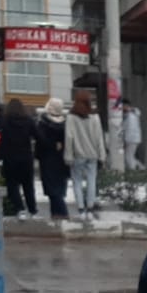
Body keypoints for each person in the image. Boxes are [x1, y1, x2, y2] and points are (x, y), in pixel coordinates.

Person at [66, 92, 105, 225]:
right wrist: (102, 155)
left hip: (78, 155)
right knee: (91, 181)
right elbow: (99, 137)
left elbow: (69, 137)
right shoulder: (95, 116)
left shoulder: (71, 117)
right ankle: (90, 209)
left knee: (77, 182)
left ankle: (81, 210)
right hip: (92, 154)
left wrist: (68, 155)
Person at [0, 98, 39, 218]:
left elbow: (3, 142)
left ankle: (20, 209)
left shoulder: (5, 122)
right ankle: (33, 210)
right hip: (26, 158)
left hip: (10, 159)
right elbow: (38, 136)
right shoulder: (29, 121)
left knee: (12, 186)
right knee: (28, 186)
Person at [36, 97, 71, 220]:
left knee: (52, 189)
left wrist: (39, 154)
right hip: (61, 159)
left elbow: (40, 140)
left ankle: (61, 213)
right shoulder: (65, 123)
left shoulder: (43, 122)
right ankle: (57, 214)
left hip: (47, 159)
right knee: (59, 188)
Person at [122, 102, 143, 170]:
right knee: (129, 155)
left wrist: (125, 140)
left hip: (132, 139)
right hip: (132, 139)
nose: (122, 108)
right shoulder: (130, 115)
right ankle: (141, 167)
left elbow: (129, 129)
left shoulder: (131, 115)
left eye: (123, 106)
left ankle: (133, 169)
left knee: (128, 156)